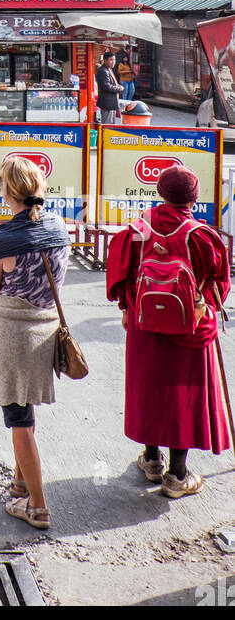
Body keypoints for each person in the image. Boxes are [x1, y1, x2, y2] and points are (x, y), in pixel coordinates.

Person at [106, 166, 231, 498]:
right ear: (193, 197)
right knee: (182, 396)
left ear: (160, 191)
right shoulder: (201, 236)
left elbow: (119, 274)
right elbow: (220, 283)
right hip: (189, 328)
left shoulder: (138, 229)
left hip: (145, 323)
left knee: (150, 388)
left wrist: (125, 308)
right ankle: (178, 475)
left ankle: (151, 459)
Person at [0, 155, 71, 530]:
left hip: (12, 336)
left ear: (7, 192)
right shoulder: (59, 228)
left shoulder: (3, 239)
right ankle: (20, 482)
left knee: (18, 419)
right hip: (46, 329)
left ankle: (37, 506)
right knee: (27, 411)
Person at [95, 50, 122, 123]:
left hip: (110, 102)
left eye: (114, 60)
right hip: (107, 103)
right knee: (107, 124)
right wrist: (118, 88)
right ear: (105, 60)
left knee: (111, 124)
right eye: (111, 60)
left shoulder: (108, 69)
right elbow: (106, 86)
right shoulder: (103, 71)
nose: (113, 62)